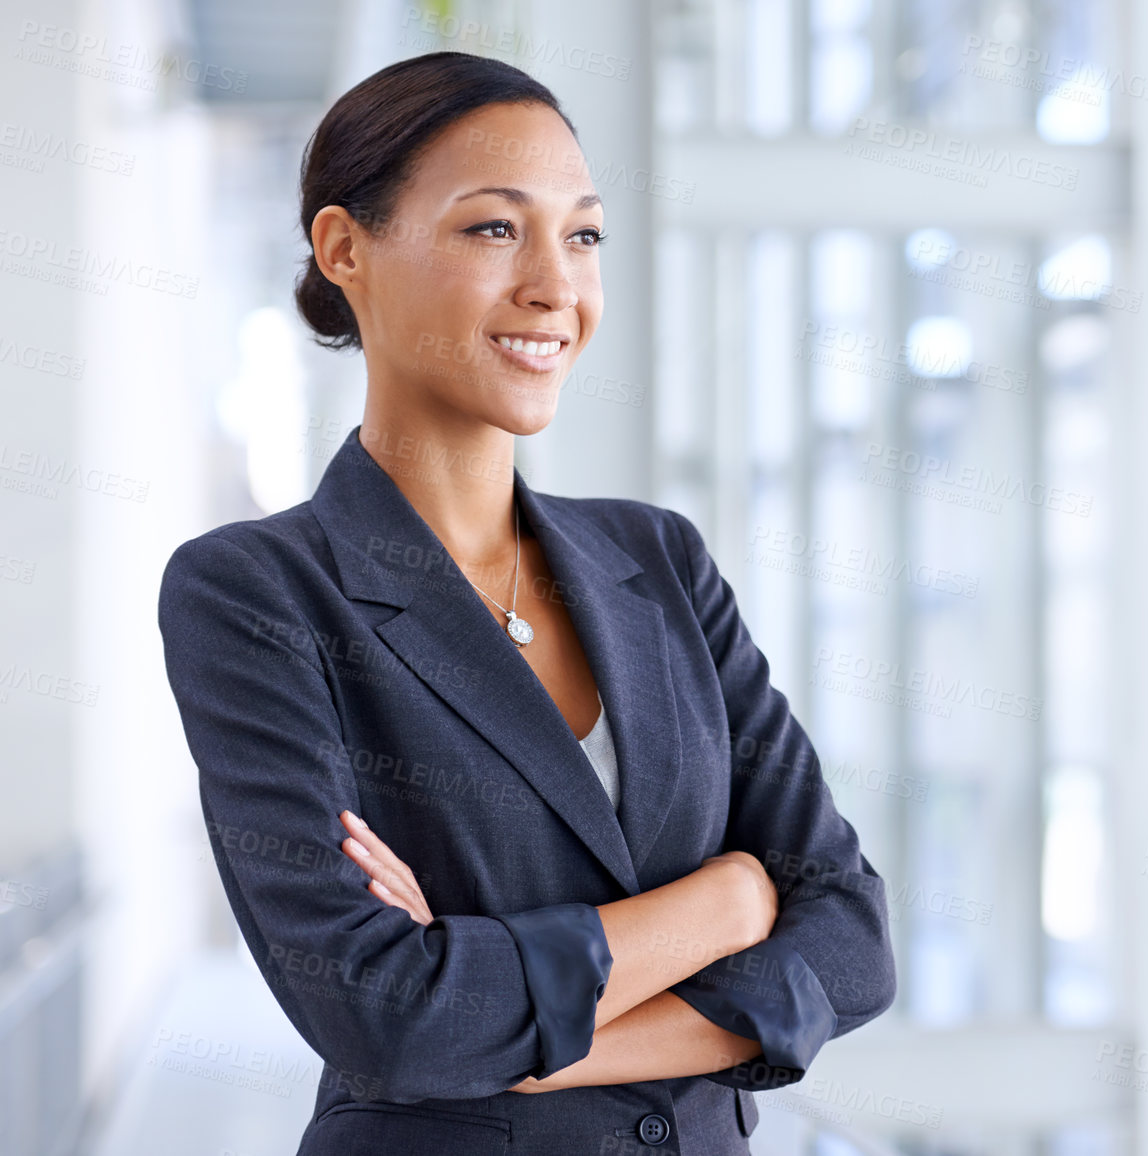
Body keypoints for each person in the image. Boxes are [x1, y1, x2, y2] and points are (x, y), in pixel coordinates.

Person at [157, 51, 895, 1155]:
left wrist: (535, 1037)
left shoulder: (659, 560)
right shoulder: (256, 593)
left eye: (583, 234)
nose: (555, 284)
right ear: (345, 247)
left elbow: (850, 937)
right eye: (494, 229)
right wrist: (727, 902)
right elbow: (389, 1015)